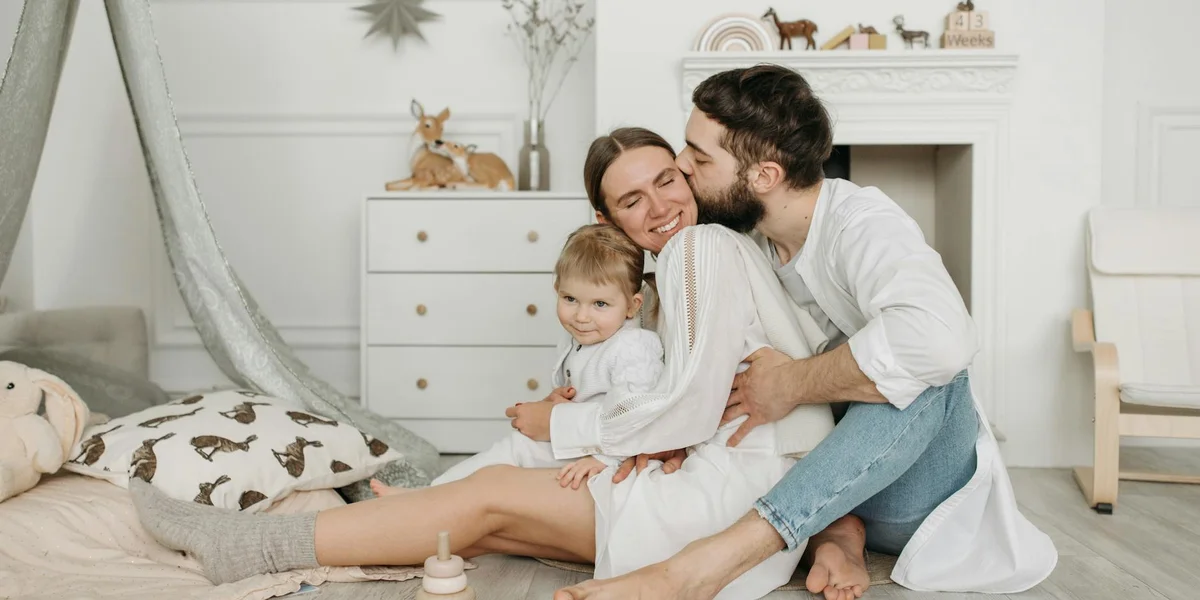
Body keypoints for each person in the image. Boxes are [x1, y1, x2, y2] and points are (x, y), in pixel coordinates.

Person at [125, 125, 838, 599]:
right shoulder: (687, 265)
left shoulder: (698, 248)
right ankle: (360, 532)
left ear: (689, 176)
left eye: (668, 180)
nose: (659, 204)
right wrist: (598, 426)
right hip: (738, 491)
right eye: (632, 197)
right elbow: (695, 394)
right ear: (606, 221)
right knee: (485, 521)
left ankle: (251, 545)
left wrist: (562, 430)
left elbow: (686, 403)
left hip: (731, 501)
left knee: (489, 493)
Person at [552, 65, 1057, 600]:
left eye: (698, 158)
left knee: (933, 375)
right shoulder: (738, 237)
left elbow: (942, 341)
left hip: (913, 493)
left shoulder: (861, 224)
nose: (680, 167)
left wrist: (792, 383)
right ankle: (835, 535)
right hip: (816, 478)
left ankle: (714, 562)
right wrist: (670, 432)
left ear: (764, 176)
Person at [371, 223, 664, 493]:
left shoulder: (633, 347)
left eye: (600, 304)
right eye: (570, 299)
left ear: (631, 305)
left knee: (509, 457)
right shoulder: (583, 338)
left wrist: (605, 459)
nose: (581, 316)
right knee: (505, 454)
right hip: (572, 440)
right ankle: (429, 495)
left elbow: (636, 415)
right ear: (557, 291)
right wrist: (556, 400)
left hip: (598, 451)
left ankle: (428, 497)